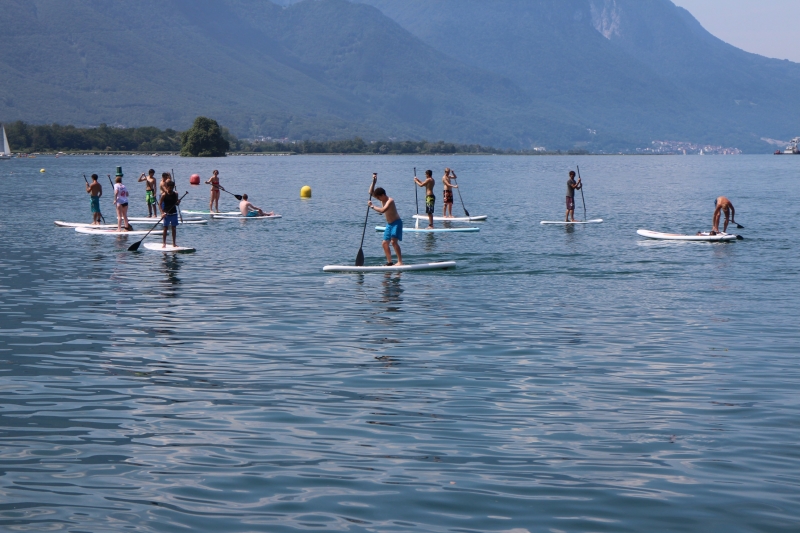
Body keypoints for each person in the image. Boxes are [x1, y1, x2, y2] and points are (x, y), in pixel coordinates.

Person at [368, 174, 403, 266]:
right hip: (389, 224)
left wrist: (372, 206)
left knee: (393, 242)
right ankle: (389, 262)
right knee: (384, 243)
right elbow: (370, 192)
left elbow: (383, 210)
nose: (378, 199)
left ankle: (400, 262)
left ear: (383, 195)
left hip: (396, 223)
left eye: (379, 197)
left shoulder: (390, 201)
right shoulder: (382, 199)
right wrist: (374, 182)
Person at [159, 180, 182, 248]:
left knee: (174, 229)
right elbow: (160, 204)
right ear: (167, 186)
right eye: (170, 187)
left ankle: (174, 244)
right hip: (167, 214)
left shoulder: (175, 194)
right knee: (165, 228)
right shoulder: (164, 195)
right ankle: (164, 243)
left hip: (174, 213)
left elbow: (177, 204)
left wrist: (178, 202)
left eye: (172, 187)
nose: (171, 189)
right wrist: (162, 213)